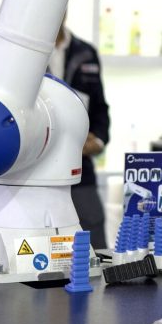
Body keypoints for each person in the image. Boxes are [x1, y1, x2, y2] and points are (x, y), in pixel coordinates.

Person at [49, 17, 110, 248]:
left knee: (96, 247)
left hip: (80, 171)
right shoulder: (24, 52)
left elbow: (100, 108)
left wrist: (98, 141)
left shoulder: (85, 53)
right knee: (40, 249)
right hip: (34, 176)